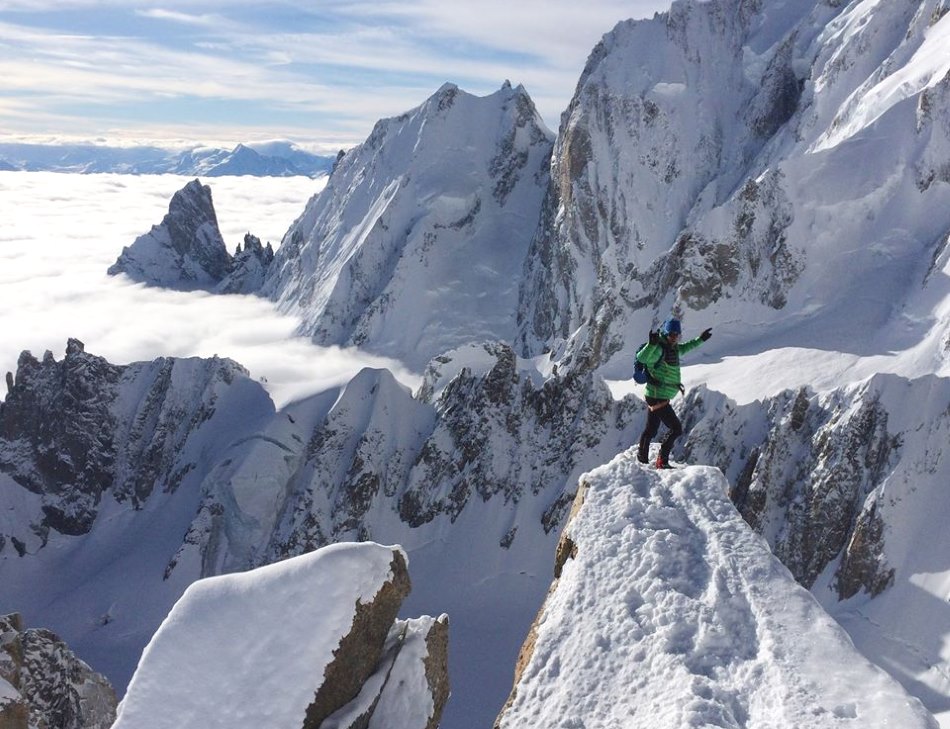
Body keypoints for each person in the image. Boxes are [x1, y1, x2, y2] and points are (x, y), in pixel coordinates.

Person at [636, 318, 711, 468]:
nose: (674, 337)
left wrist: (700, 339)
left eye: (677, 334)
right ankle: (661, 460)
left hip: (658, 395)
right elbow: (641, 358)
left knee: (651, 429)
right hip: (657, 396)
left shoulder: (674, 348)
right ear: (666, 333)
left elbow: (686, 347)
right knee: (676, 429)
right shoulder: (658, 348)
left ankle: (642, 457)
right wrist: (651, 344)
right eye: (671, 334)